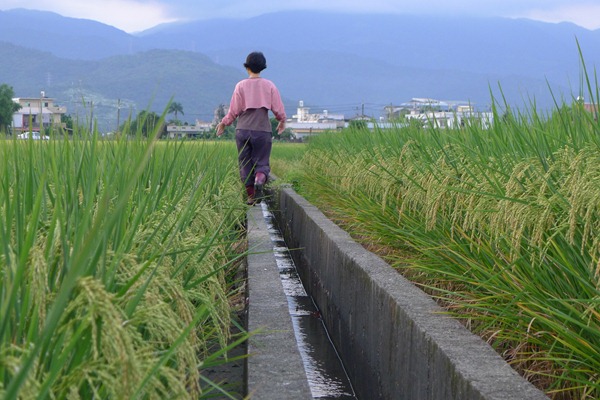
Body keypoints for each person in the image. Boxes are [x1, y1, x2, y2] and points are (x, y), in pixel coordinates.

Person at [216, 51, 287, 205]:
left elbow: (233, 111)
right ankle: (260, 180)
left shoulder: (240, 86)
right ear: (263, 67)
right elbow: (278, 109)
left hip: (242, 130)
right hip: (262, 130)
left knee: (245, 163)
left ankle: (250, 197)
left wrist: (223, 123)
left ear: (247, 67)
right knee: (261, 162)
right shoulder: (269, 85)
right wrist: (282, 121)